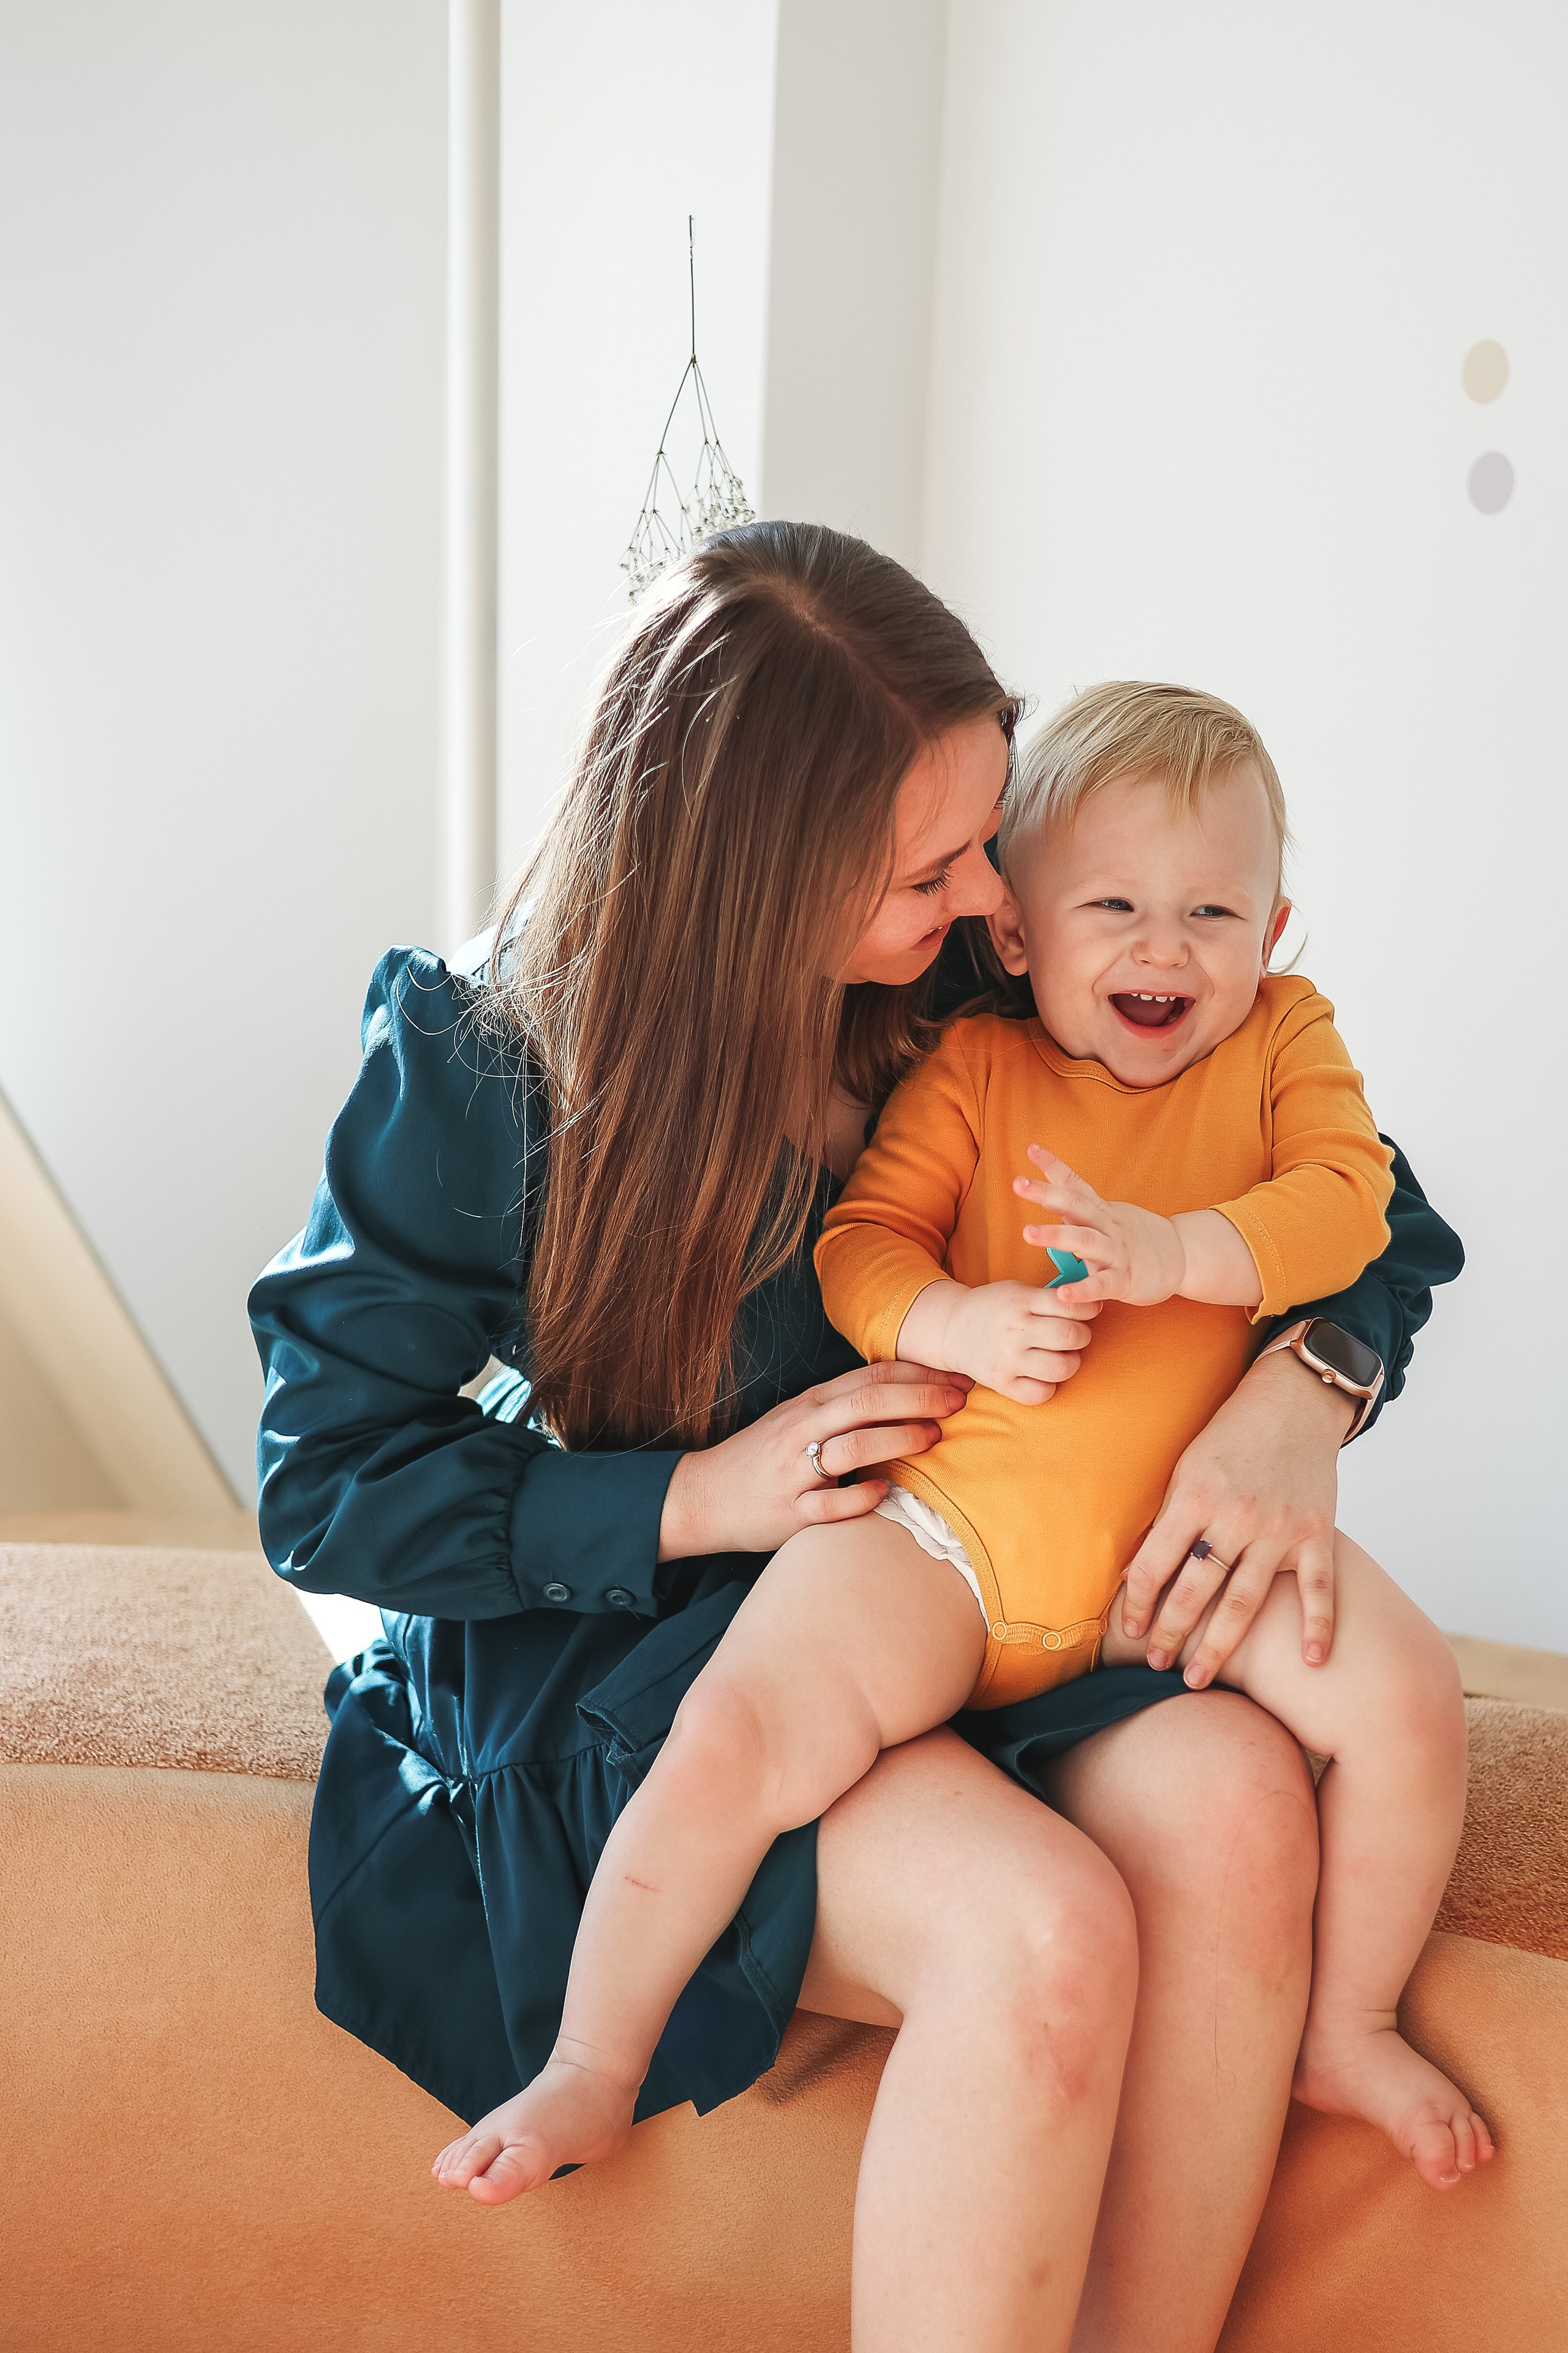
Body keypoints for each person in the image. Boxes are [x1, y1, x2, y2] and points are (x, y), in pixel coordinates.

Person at [252, 525, 1464, 2353]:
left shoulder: (991, 967)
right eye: (937, 865)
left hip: (981, 1569)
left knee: (1233, 1813)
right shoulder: (488, 1060)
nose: (1000, 890)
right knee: (1042, 1932)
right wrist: (699, 1492)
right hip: (669, 1634)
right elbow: (323, 1475)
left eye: (990, 832)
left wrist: (1306, 1400)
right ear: (762, 886)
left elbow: (1376, 1211)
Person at [450, 676, 1487, 2223]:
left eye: (1214, 909)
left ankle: (1345, 2023)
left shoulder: (1284, 1044)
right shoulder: (977, 1066)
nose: (1164, 947)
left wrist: (1178, 1255)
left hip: (1166, 1561)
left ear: (1275, 932)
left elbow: (1353, 1208)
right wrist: (950, 1322)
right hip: (946, 1542)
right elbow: (859, 1249)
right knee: (736, 1730)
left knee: (1407, 1700)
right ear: (1018, 937)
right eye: (1115, 906)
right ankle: (591, 2058)